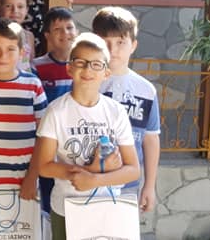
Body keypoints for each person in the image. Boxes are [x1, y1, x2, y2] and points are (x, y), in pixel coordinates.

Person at [36, 33, 140, 240]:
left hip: (107, 207)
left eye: (96, 64)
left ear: (106, 73)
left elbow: (133, 170)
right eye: (80, 62)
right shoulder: (56, 111)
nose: (87, 69)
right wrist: (92, 169)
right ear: (69, 68)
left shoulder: (116, 112)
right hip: (66, 208)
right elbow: (44, 166)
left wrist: (95, 178)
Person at [93, 6, 160, 212]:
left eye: (120, 42)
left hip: (128, 186)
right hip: (90, 181)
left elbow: (150, 139)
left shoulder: (146, 90)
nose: (112, 50)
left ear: (133, 45)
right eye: (105, 42)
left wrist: (149, 186)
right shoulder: (86, 83)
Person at [0, 19, 47, 199]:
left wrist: (32, 177)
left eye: (10, 49)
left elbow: (43, 137)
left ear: (22, 52)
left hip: (25, 184)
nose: (3, 55)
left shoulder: (33, 85)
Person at [30, 8, 79, 213]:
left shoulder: (83, 66)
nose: (65, 33)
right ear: (47, 36)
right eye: (58, 29)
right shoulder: (37, 67)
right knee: (48, 196)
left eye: (69, 27)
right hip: (48, 141)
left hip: (76, 140)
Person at [0, 0, 36, 67]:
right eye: (8, 6)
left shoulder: (29, 36)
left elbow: (30, 63)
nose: (15, 11)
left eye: (20, 6)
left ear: (26, 10)